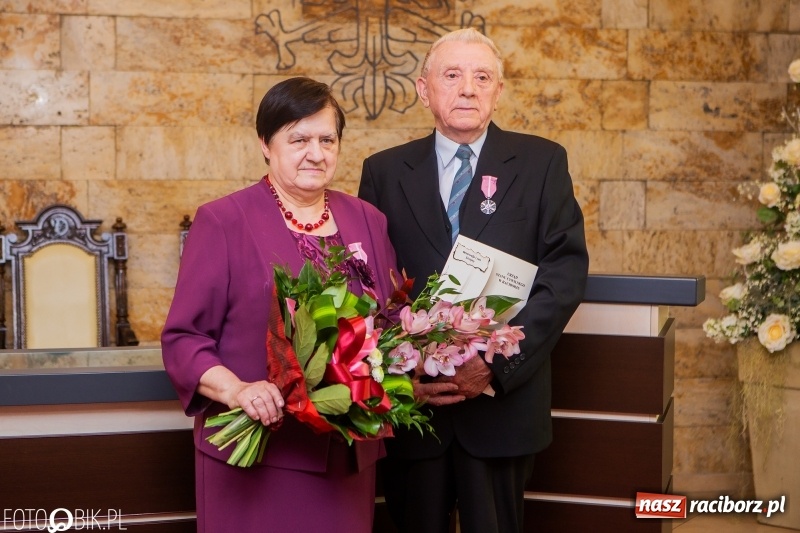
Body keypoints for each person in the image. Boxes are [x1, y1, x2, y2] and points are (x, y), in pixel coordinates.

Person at [358, 28, 590, 533]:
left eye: (482, 77)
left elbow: (565, 274)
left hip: (502, 407)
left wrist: (496, 365)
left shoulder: (541, 162)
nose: (468, 88)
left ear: (498, 91)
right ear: (424, 90)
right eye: (453, 75)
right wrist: (397, 379)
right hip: (415, 408)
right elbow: (370, 284)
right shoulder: (382, 171)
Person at [162, 77, 399, 533]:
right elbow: (184, 338)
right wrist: (237, 391)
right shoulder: (225, 220)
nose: (316, 152)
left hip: (347, 457)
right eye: (299, 139)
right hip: (260, 457)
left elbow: (386, 323)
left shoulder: (366, 219)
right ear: (266, 145)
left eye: (327, 139)